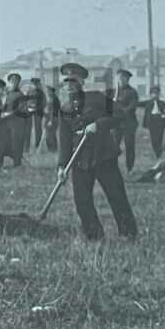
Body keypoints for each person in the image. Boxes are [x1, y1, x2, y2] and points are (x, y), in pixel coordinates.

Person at [55, 63, 138, 240]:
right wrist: (62, 166)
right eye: (66, 82)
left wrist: (98, 125)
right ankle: (94, 236)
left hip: (104, 155)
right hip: (80, 160)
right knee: (82, 200)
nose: (69, 86)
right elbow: (64, 140)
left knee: (116, 196)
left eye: (73, 82)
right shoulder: (65, 109)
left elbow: (120, 115)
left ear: (81, 83)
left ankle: (128, 234)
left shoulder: (96, 98)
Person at [112, 68, 140, 173]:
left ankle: (130, 168)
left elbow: (131, 108)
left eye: (123, 78)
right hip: (116, 124)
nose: (121, 80)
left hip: (129, 123)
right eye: (119, 78)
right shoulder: (113, 92)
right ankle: (113, 167)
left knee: (129, 146)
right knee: (113, 146)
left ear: (127, 79)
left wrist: (118, 110)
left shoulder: (132, 92)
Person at [0, 72, 27, 168]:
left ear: (18, 83)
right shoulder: (8, 94)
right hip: (6, 122)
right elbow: (4, 107)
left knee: (17, 142)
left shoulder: (21, 95)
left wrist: (9, 114)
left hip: (17, 122)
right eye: (12, 81)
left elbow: (21, 109)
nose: (13, 83)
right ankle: (1, 162)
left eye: (16, 81)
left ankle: (17, 163)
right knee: (5, 141)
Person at [140, 85, 165, 158]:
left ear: (159, 94)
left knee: (159, 139)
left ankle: (159, 155)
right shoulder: (147, 103)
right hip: (151, 123)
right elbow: (137, 104)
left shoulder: (162, 103)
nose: (155, 95)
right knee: (153, 140)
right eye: (153, 93)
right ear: (150, 94)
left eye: (157, 93)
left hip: (160, 123)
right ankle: (158, 152)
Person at [27, 77, 46, 151]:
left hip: (38, 112)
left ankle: (37, 144)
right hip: (29, 111)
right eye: (33, 83)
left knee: (38, 128)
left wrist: (38, 108)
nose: (35, 85)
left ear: (38, 84)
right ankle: (27, 146)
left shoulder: (41, 92)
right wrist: (29, 106)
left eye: (36, 83)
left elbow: (44, 102)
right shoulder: (29, 91)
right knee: (28, 128)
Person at [43, 83, 60, 153]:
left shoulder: (54, 99)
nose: (47, 92)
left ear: (52, 91)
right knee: (48, 136)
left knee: (50, 136)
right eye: (47, 91)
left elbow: (53, 111)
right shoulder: (51, 99)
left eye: (48, 91)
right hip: (49, 118)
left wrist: (51, 120)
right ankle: (51, 149)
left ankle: (53, 149)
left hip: (52, 119)